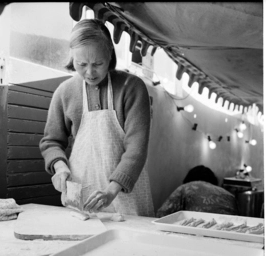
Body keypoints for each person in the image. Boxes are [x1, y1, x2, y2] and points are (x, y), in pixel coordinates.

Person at [39, 19, 155, 217]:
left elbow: (136, 149)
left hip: (126, 194)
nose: (90, 72)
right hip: (83, 192)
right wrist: (60, 168)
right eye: (81, 64)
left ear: (110, 54)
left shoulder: (132, 87)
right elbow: (51, 141)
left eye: (98, 64)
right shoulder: (65, 92)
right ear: (72, 56)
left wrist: (111, 192)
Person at [156, 165, 239, 217]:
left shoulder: (186, 188)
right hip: (227, 232)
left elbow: (161, 214)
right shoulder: (229, 195)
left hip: (198, 231)